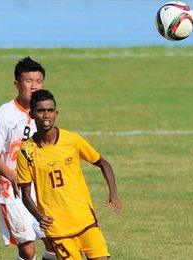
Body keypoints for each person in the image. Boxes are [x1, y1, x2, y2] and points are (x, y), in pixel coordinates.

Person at [17, 89, 121, 260]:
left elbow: (103, 163)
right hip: (58, 228)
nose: (46, 115)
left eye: (50, 110)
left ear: (56, 113)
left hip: (85, 221)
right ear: (32, 114)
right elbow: (25, 195)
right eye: (41, 111)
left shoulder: (72, 140)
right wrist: (39, 216)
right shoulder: (26, 152)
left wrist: (114, 193)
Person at [0, 57, 56, 260]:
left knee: (54, 242)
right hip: (12, 192)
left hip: (41, 189)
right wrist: (12, 175)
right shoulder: (5, 114)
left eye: (38, 81)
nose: (34, 87)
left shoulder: (44, 112)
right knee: (27, 249)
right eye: (28, 81)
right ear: (17, 84)